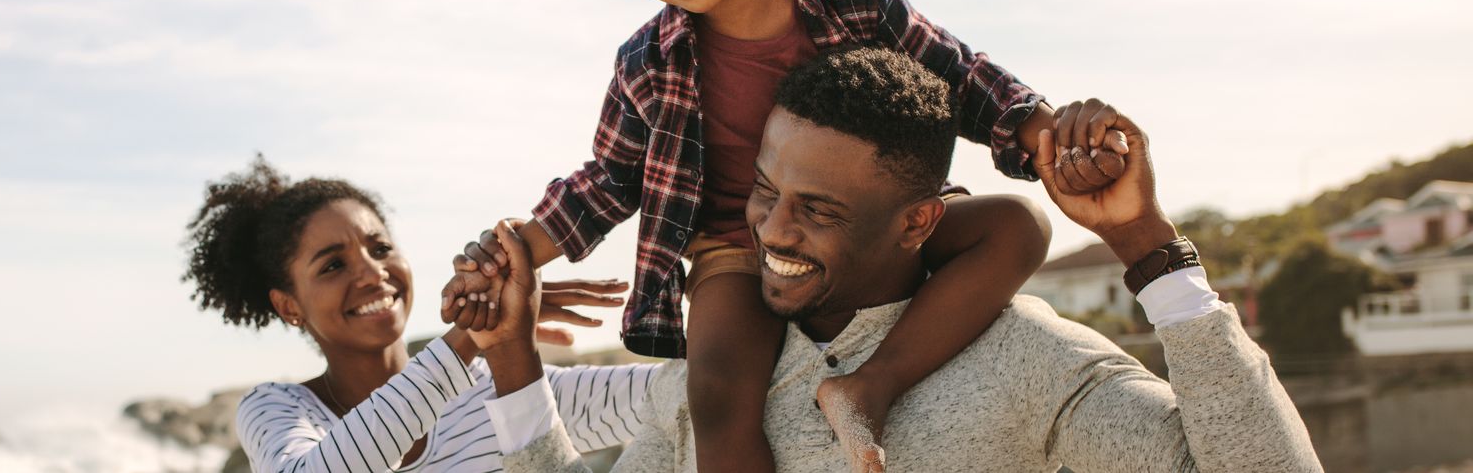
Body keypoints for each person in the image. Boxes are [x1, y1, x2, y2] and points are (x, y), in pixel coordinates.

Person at [444, 0, 1130, 469]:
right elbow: (610, 178)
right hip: (736, 249)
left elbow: (958, 74)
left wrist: (1050, 134)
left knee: (1018, 225)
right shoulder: (646, 61)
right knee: (715, 390)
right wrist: (518, 249)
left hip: (870, 221)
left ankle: (871, 384)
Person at [465, 47, 1321, 472]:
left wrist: (1144, 244)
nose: (772, 231)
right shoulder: (722, 377)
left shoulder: (1025, 357)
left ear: (918, 221)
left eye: (819, 211)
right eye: (765, 191)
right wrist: (512, 360)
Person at [180, 158, 657, 472]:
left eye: (380, 247)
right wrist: (476, 331)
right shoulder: (278, 409)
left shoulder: (505, 387)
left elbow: (689, 395)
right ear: (289, 305)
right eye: (332, 264)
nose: (372, 273)